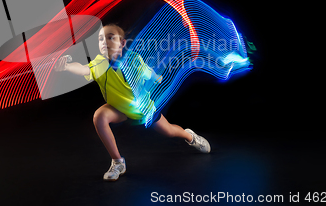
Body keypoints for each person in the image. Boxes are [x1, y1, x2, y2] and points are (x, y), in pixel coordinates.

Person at [54, 23, 210, 181]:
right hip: (118, 109)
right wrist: (66, 66)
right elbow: (83, 69)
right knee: (99, 117)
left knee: (169, 131)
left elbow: (152, 76)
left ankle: (190, 136)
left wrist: (159, 78)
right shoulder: (99, 63)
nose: (104, 41)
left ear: (122, 43)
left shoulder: (134, 60)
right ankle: (118, 162)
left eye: (110, 37)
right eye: (100, 39)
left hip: (142, 110)